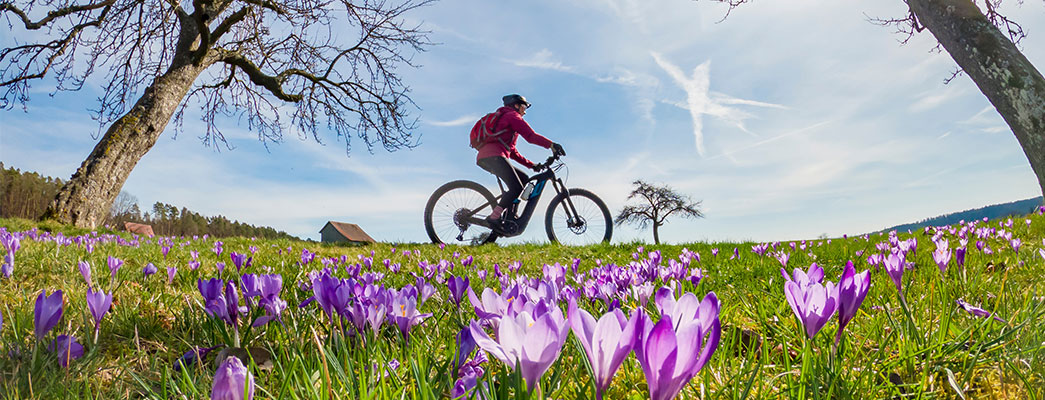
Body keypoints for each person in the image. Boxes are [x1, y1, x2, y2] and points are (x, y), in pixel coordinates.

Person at [475, 94, 566, 227]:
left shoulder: (504, 119)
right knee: (516, 187)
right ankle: (494, 218)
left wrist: (532, 165)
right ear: (516, 105)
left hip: (487, 157)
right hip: (494, 156)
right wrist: (552, 145)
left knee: (523, 179)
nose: (525, 110)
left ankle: (510, 216)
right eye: (524, 106)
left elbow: (512, 152)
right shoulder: (512, 116)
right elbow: (531, 136)